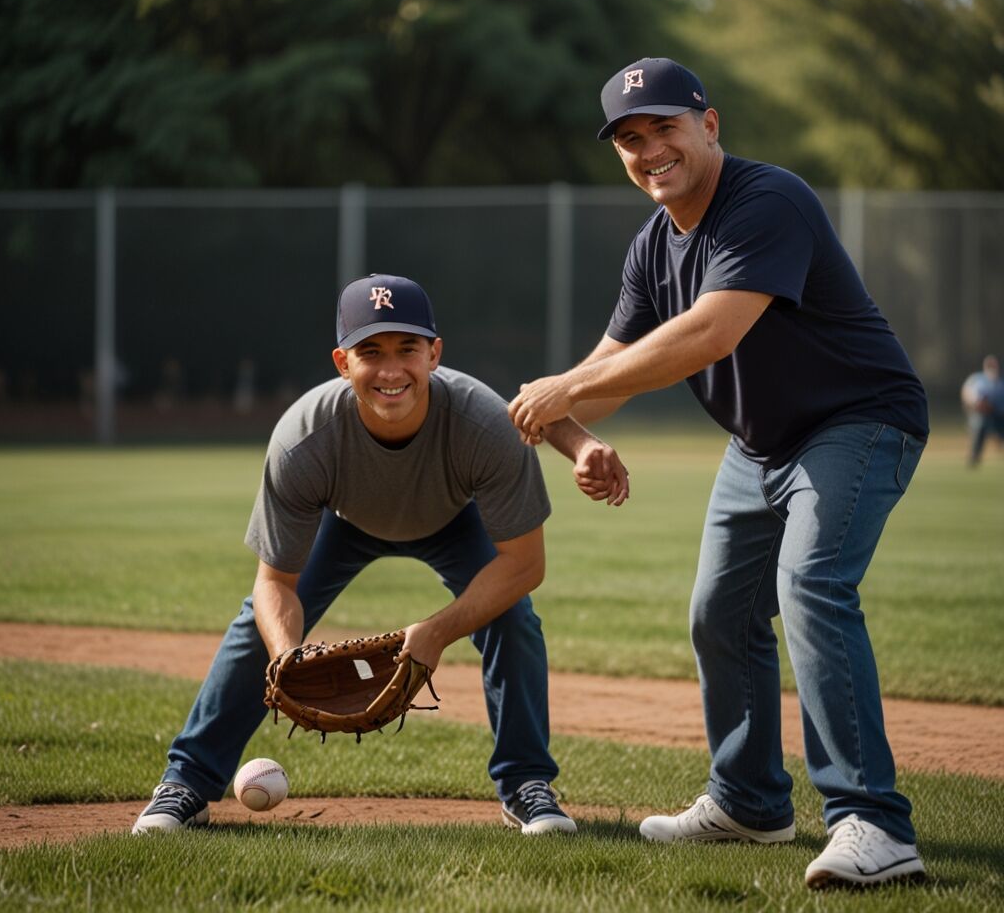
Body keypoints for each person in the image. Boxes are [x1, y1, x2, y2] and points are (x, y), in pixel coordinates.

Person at [508, 58, 930, 888]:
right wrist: (578, 437)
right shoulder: (652, 246)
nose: (648, 149)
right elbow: (610, 367)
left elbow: (709, 335)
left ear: (710, 123)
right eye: (629, 139)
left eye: (663, 126)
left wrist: (565, 391)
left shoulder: (768, 201)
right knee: (719, 614)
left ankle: (872, 824)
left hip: (858, 420)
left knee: (811, 584)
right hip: (759, 445)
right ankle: (749, 804)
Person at [133, 273, 628, 837]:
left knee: (513, 618)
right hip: (342, 521)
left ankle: (526, 785)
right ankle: (188, 782)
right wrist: (287, 658)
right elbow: (276, 584)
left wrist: (438, 632)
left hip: (452, 520)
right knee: (258, 626)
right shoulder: (303, 439)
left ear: (435, 354)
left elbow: (524, 566)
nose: (391, 370)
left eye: (407, 349)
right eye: (371, 352)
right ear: (343, 362)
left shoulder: (483, 424)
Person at [961, 354, 1004, 466]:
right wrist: (975, 403)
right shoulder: (976, 379)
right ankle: (974, 456)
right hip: (979, 414)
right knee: (980, 424)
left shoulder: (1000, 383)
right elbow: (966, 393)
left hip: (998, 415)